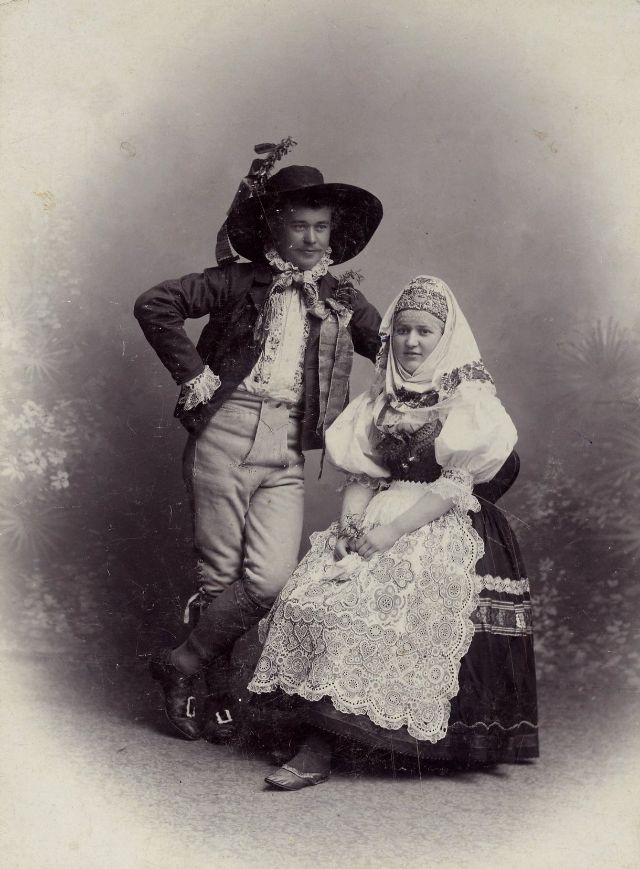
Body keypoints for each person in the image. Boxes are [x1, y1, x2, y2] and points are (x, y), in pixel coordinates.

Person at [248, 275, 538, 789]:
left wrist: (391, 534)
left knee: (379, 608)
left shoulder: (466, 398)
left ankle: (323, 746)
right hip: (381, 511)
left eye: (425, 331)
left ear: (444, 337)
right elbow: (363, 476)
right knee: (310, 594)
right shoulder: (380, 397)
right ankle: (315, 724)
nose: (412, 342)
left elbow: (454, 485)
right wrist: (349, 528)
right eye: (402, 330)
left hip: (436, 519)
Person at [134, 145, 383, 742]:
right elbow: (155, 304)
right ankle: (219, 695)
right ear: (274, 227)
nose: (311, 238)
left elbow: (393, 349)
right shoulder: (238, 281)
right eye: (299, 226)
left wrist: (448, 383)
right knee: (219, 578)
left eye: (321, 227)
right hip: (225, 434)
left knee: (270, 580)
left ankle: (180, 664)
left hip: (286, 448)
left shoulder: (340, 297)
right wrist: (195, 376)